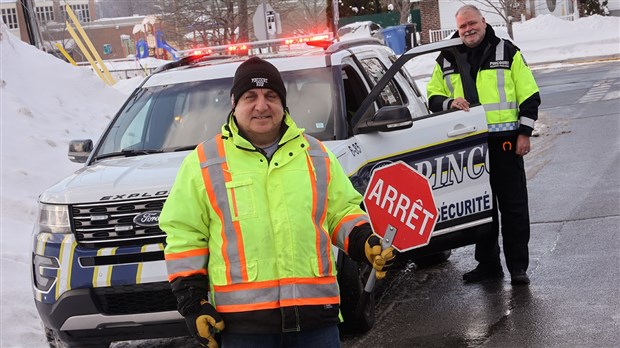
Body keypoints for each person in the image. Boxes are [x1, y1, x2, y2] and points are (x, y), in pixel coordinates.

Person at [159, 57, 395, 348]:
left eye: (271, 96)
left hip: (316, 322)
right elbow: (185, 237)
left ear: (283, 103)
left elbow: (341, 212)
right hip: (242, 328)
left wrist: (363, 240)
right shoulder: (204, 162)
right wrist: (192, 301)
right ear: (234, 103)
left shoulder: (316, 155)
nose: (261, 105)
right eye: (250, 97)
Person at [426, 5, 541, 285]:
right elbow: (432, 97)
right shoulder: (447, 57)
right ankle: (488, 265)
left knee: (513, 208)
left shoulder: (507, 52)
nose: (468, 29)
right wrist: (449, 102)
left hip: (505, 144)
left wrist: (524, 133)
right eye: (463, 25)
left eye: (472, 23)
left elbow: (530, 96)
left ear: (483, 22)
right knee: (482, 209)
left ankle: (517, 267)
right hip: (469, 148)